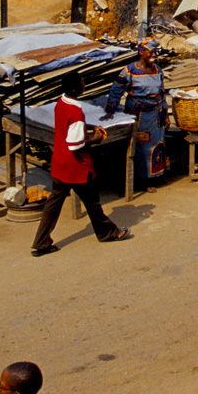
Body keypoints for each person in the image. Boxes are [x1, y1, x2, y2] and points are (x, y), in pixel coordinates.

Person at [31, 72, 131, 256]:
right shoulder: (76, 111)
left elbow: (68, 130)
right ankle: (107, 232)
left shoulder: (61, 103)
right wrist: (96, 138)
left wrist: (87, 129)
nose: (85, 85)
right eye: (83, 82)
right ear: (77, 89)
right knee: (92, 202)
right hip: (77, 167)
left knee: (54, 203)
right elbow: (76, 144)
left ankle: (40, 242)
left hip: (60, 163)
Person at [103, 38, 168, 185]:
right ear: (141, 52)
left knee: (157, 143)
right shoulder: (129, 71)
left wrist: (164, 112)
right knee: (141, 146)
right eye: (150, 52)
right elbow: (116, 91)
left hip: (156, 115)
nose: (154, 55)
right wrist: (110, 110)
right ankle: (142, 180)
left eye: (155, 52)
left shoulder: (158, 70)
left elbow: (162, 92)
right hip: (138, 116)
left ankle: (155, 176)